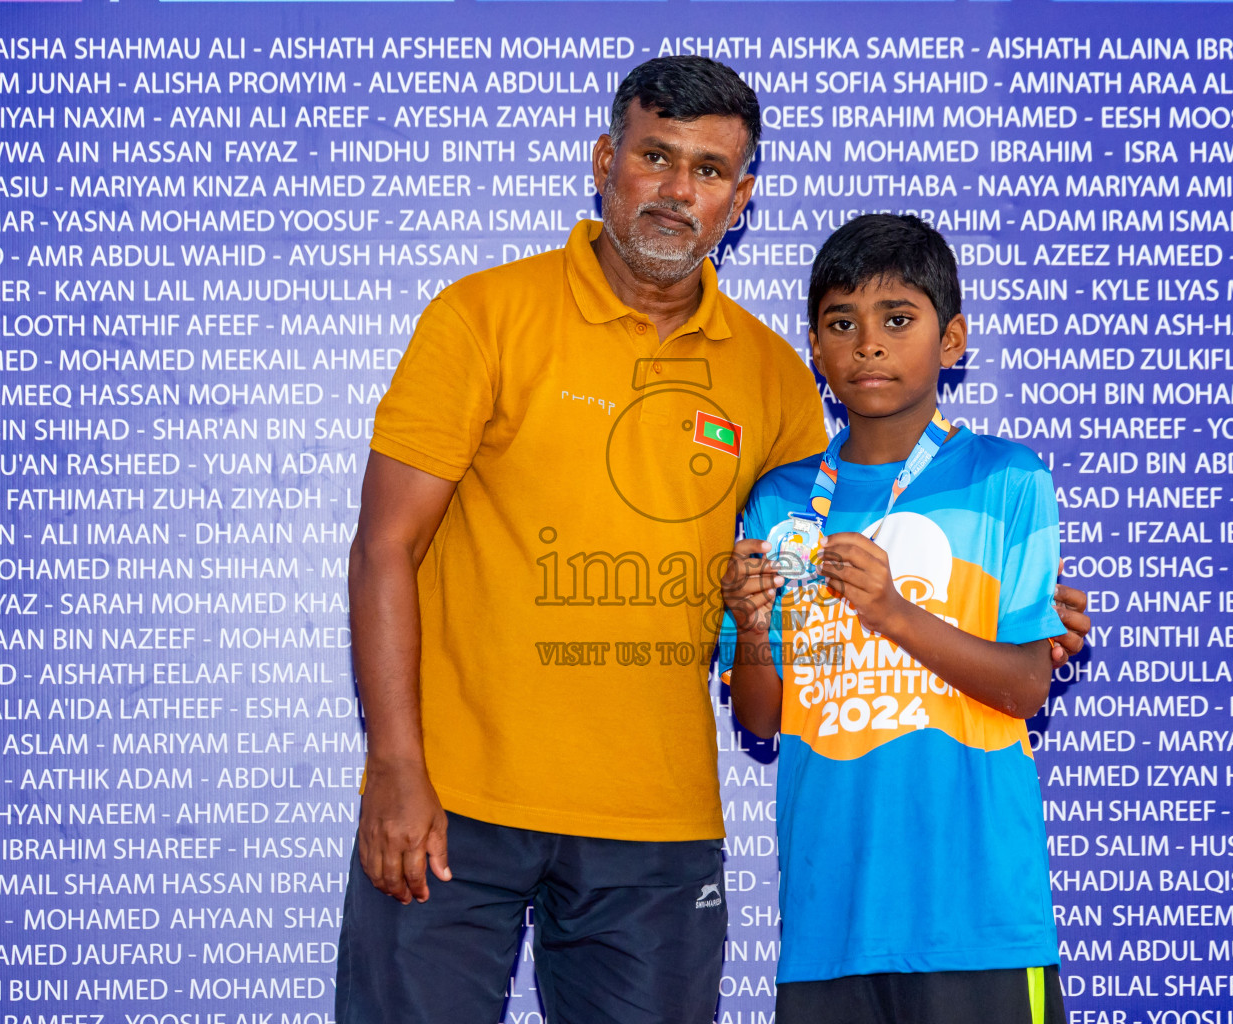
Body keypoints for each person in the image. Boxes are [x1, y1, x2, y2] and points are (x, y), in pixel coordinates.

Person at [338, 56, 1089, 1023]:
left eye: (708, 170)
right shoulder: (482, 316)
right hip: (454, 804)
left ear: (740, 197)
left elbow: (830, 557)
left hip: (657, 830)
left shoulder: (777, 379)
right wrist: (396, 765)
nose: (676, 191)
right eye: (656, 157)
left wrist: (1018, 616)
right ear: (606, 161)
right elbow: (382, 549)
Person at [720, 214, 1069, 1024]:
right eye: (842, 324)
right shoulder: (777, 501)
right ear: (814, 347)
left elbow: (1024, 685)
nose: (867, 345)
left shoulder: (1006, 479)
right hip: (829, 921)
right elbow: (760, 717)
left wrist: (891, 610)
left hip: (978, 922)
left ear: (952, 340)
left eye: (897, 321)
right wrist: (752, 631)